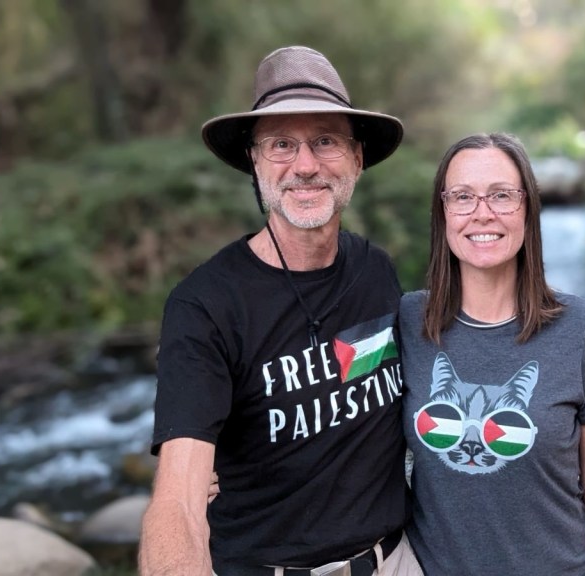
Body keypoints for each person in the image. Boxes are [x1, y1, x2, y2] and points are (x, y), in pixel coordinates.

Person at [139, 46, 423, 576]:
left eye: (325, 141)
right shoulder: (204, 305)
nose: (306, 165)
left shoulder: (377, 271)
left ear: (357, 158)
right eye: (282, 144)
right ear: (255, 159)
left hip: (396, 560)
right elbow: (177, 499)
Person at [399, 133, 585, 575]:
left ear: (527, 209)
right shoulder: (409, 322)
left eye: (502, 195)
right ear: (443, 212)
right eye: (463, 196)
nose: (482, 212)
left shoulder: (578, 326)